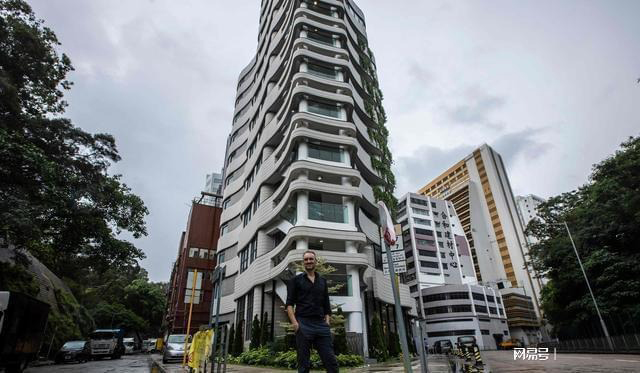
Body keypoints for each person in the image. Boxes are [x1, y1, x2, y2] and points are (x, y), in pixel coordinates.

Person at [286, 250, 339, 373]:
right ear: (303, 263)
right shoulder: (296, 280)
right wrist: (295, 324)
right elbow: (289, 304)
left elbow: (326, 304)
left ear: (316, 261)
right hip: (303, 324)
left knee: (331, 361)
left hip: (321, 324)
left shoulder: (322, 281)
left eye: (311, 259)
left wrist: (327, 322)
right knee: (304, 364)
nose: (308, 261)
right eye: (306, 259)